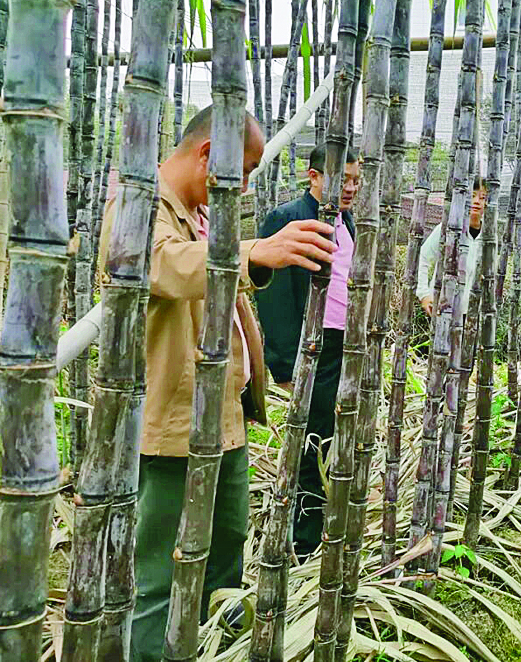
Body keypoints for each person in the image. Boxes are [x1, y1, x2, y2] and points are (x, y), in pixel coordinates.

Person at [98, 106, 337, 662]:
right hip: (171, 424)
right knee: (159, 572)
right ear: (208, 154)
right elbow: (159, 264)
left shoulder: (201, 213)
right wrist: (253, 250)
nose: (246, 186)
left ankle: (213, 649)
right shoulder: (138, 201)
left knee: (226, 552)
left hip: (222, 416)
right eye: (244, 171)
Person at [254, 143, 360, 558]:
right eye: (342, 179)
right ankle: (304, 539)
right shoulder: (289, 219)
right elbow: (274, 297)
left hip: (344, 345)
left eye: (355, 180)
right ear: (313, 176)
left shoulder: (348, 221)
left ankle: (330, 524)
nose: (350, 188)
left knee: (335, 435)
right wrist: (284, 364)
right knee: (310, 439)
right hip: (312, 346)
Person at [416, 176, 487, 316]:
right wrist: (424, 294)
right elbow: (422, 257)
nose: (476, 201)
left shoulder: (489, 238)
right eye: (472, 196)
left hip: (472, 314)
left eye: (482, 197)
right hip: (442, 309)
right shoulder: (448, 229)